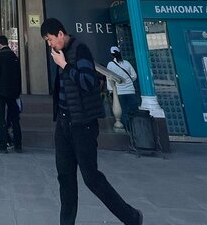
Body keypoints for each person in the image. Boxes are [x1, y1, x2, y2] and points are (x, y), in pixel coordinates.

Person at [41, 18, 143, 225]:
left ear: (60, 34)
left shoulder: (81, 51)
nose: (50, 44)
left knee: (91, 178)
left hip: (83, 125)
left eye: (50, 39)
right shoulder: (60, 53)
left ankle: (131, 217)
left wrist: (64, 65)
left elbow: (88, 82)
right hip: (64, 123)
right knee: (65, 178)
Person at [0, 35, 22, 153]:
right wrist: (18, 91)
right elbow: (19, 75)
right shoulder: (14, 57)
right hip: (13, 92)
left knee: (1, 118)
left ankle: (3, 144)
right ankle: (18, 144)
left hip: (1, 91)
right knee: (14, 118)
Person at [106, 46, 140, 125]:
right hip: (131, 91)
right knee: (134, 111)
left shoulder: (110, 65)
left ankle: (126, 128)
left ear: (111, 55)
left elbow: (109, 78)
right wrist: (128, 82)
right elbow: (134, 76)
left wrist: (111, 90)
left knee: (123, 112)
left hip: (119, 92)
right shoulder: (126, 63)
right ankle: (135, 127)